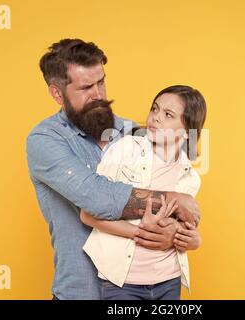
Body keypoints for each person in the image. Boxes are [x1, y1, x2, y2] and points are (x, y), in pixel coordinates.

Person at [26, 39, 201, 299]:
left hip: (146, 291)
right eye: (86, 87)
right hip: (81, 293)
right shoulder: (45, 140)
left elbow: (177, 182)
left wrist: (178, 235)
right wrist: (174, 201)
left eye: (101, 82)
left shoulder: (135, 133)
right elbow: (98, 197)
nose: (99, 95)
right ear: (57, 94)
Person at [81, 85, 207, 300]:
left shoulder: (189, 178)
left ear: (187, 131)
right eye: (155, 109)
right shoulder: (124, 150)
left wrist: (194, 240)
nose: (156, 118)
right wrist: (141, 231)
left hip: (169, 279)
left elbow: (180, 229)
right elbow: (88, 214)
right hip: (122, 282)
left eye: (168, 115)